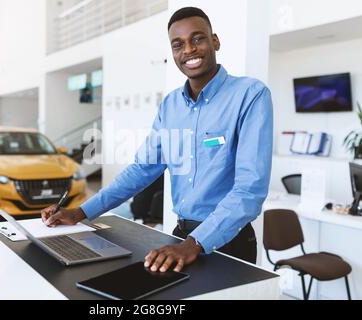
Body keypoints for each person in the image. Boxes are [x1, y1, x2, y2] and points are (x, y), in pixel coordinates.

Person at [41, 7, 273, 273]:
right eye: (178, 44)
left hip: (229, 242)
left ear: (215, 41)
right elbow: (142, 169)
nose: (189, 50)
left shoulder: (250, 95)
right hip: (180, 236)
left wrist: (195, 243)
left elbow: (250, 189)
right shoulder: (170, 105)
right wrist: (81, 212)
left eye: (197, 39)